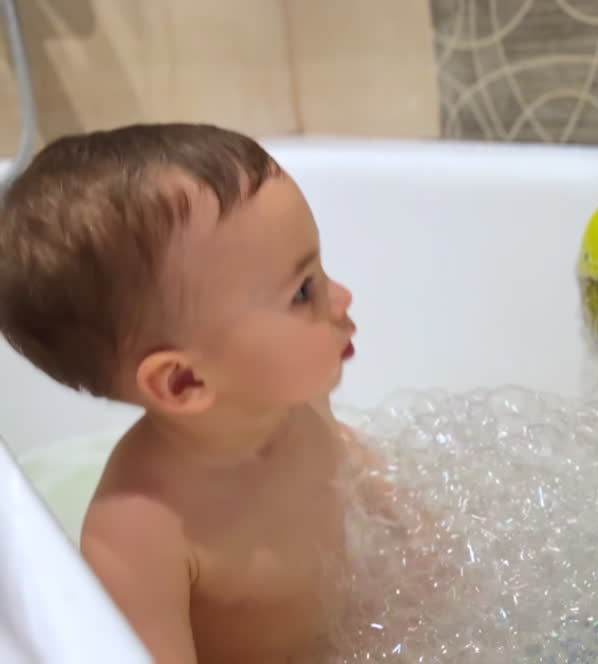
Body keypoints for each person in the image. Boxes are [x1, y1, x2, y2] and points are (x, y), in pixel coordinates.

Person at [0, 123, 389, 663]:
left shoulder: (297, 403)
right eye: (303, 291)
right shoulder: (138, 535)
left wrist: (437, 567)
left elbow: (363, 478)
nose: (342, 297)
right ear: (184, 382)